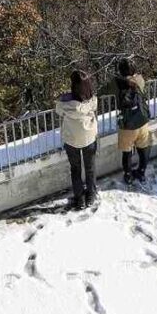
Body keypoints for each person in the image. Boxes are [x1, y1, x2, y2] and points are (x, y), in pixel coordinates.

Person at [56, 70, 98, 210]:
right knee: (90, 168)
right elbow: (94, 106)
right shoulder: (92, 99)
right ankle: (91, 196)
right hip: (89, 137)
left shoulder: (65, 103)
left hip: (71, 139)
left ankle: (79, 199)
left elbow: (58, 110)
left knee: (75, 169)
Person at [115, 57, 152, 184]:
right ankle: (141, 172)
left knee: (127, 152)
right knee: (143, 148)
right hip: (142, 120)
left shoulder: (118, 84)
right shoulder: (140, 80)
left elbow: (105, 90)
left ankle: (128, 175)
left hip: (128, 124)